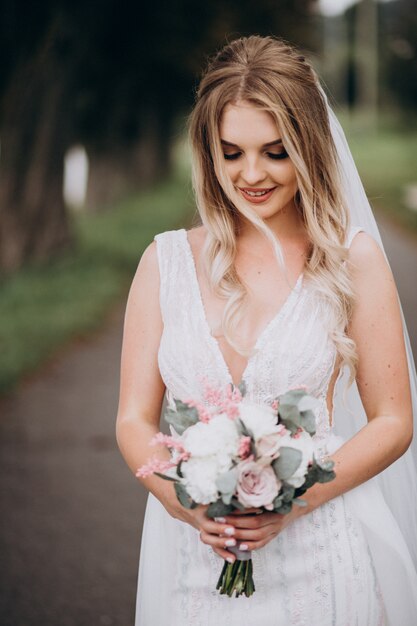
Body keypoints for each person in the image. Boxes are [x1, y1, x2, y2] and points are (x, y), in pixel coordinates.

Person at [115, 35, 417, 625]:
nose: (250, 174)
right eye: (231, 153)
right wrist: (184, 503)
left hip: (320, 550)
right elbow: (132, 418)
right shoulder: (165, 262)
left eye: (275, 152)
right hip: (192, 557)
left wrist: (293, 503)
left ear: (308, 147)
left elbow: (394, 421)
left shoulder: (350, 262)